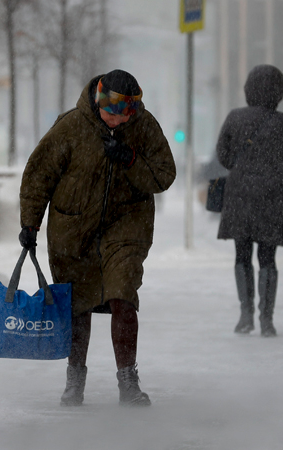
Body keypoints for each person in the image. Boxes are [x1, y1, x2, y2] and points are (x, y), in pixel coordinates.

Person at [18, 69, 176, 406]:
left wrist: (130, 159)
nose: (119, 122)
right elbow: (39, 175)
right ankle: (74, 380)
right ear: (98, 101)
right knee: (79, 304)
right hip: (74, 231)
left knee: (123, 296)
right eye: (113, 114)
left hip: (126, 227)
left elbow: (164, 175)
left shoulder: (143, 126)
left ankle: (128, 382)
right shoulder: (71, 126)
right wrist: (30, 223)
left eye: (126, 115)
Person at [216, 64, 283, 337]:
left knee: (242, 254)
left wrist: (244, 171)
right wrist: (272, 172)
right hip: (273, 197)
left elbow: (224, 154)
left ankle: (245, 315)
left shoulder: (235, 118)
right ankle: (267, 319)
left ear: (249, 89)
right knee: (267, 257)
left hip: (241, 194)